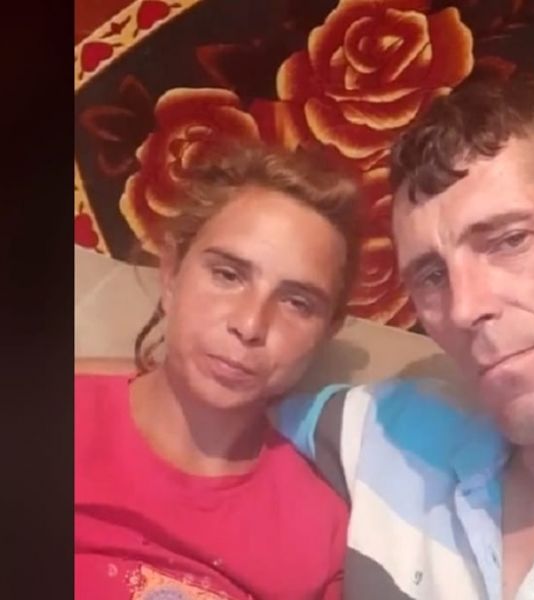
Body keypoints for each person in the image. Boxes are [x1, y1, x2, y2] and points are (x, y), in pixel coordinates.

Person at [276, 74, 534, 599]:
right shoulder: (390, 430)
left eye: (510, 241)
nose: (464, 308)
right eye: (432, 276)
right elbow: (200, 426)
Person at [74, 140, 361, 599]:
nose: (250, 324)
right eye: (228, 275)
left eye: (297, 302)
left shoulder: (321, 531)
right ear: (171, 273)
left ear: (327, 331)